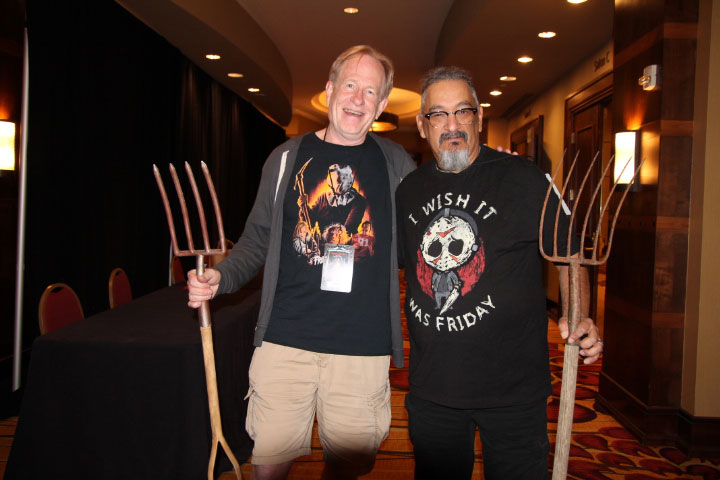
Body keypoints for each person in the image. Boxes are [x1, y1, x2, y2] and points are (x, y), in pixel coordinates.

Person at [187, 45, 415, 480]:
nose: (358, 99)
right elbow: (256, 240)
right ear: (329, 90)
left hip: (361, 347)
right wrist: (222, 275)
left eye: (371, 92)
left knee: (349, 465)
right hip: (285, 339)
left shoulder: (395, 164)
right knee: (269, 465)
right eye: (350, 85)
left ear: (382, 104)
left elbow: (418, 242)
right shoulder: (287, 159)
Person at [395, 66, 604, 480]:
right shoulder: (408, 191)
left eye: (462, 112)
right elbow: (409, 269)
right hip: (433, 386)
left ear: (480, 116)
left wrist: (578, 315)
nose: (452, 125)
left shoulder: (525, 179)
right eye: (438, 114)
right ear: (422, 125)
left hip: (513, 389)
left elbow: (569, 254)